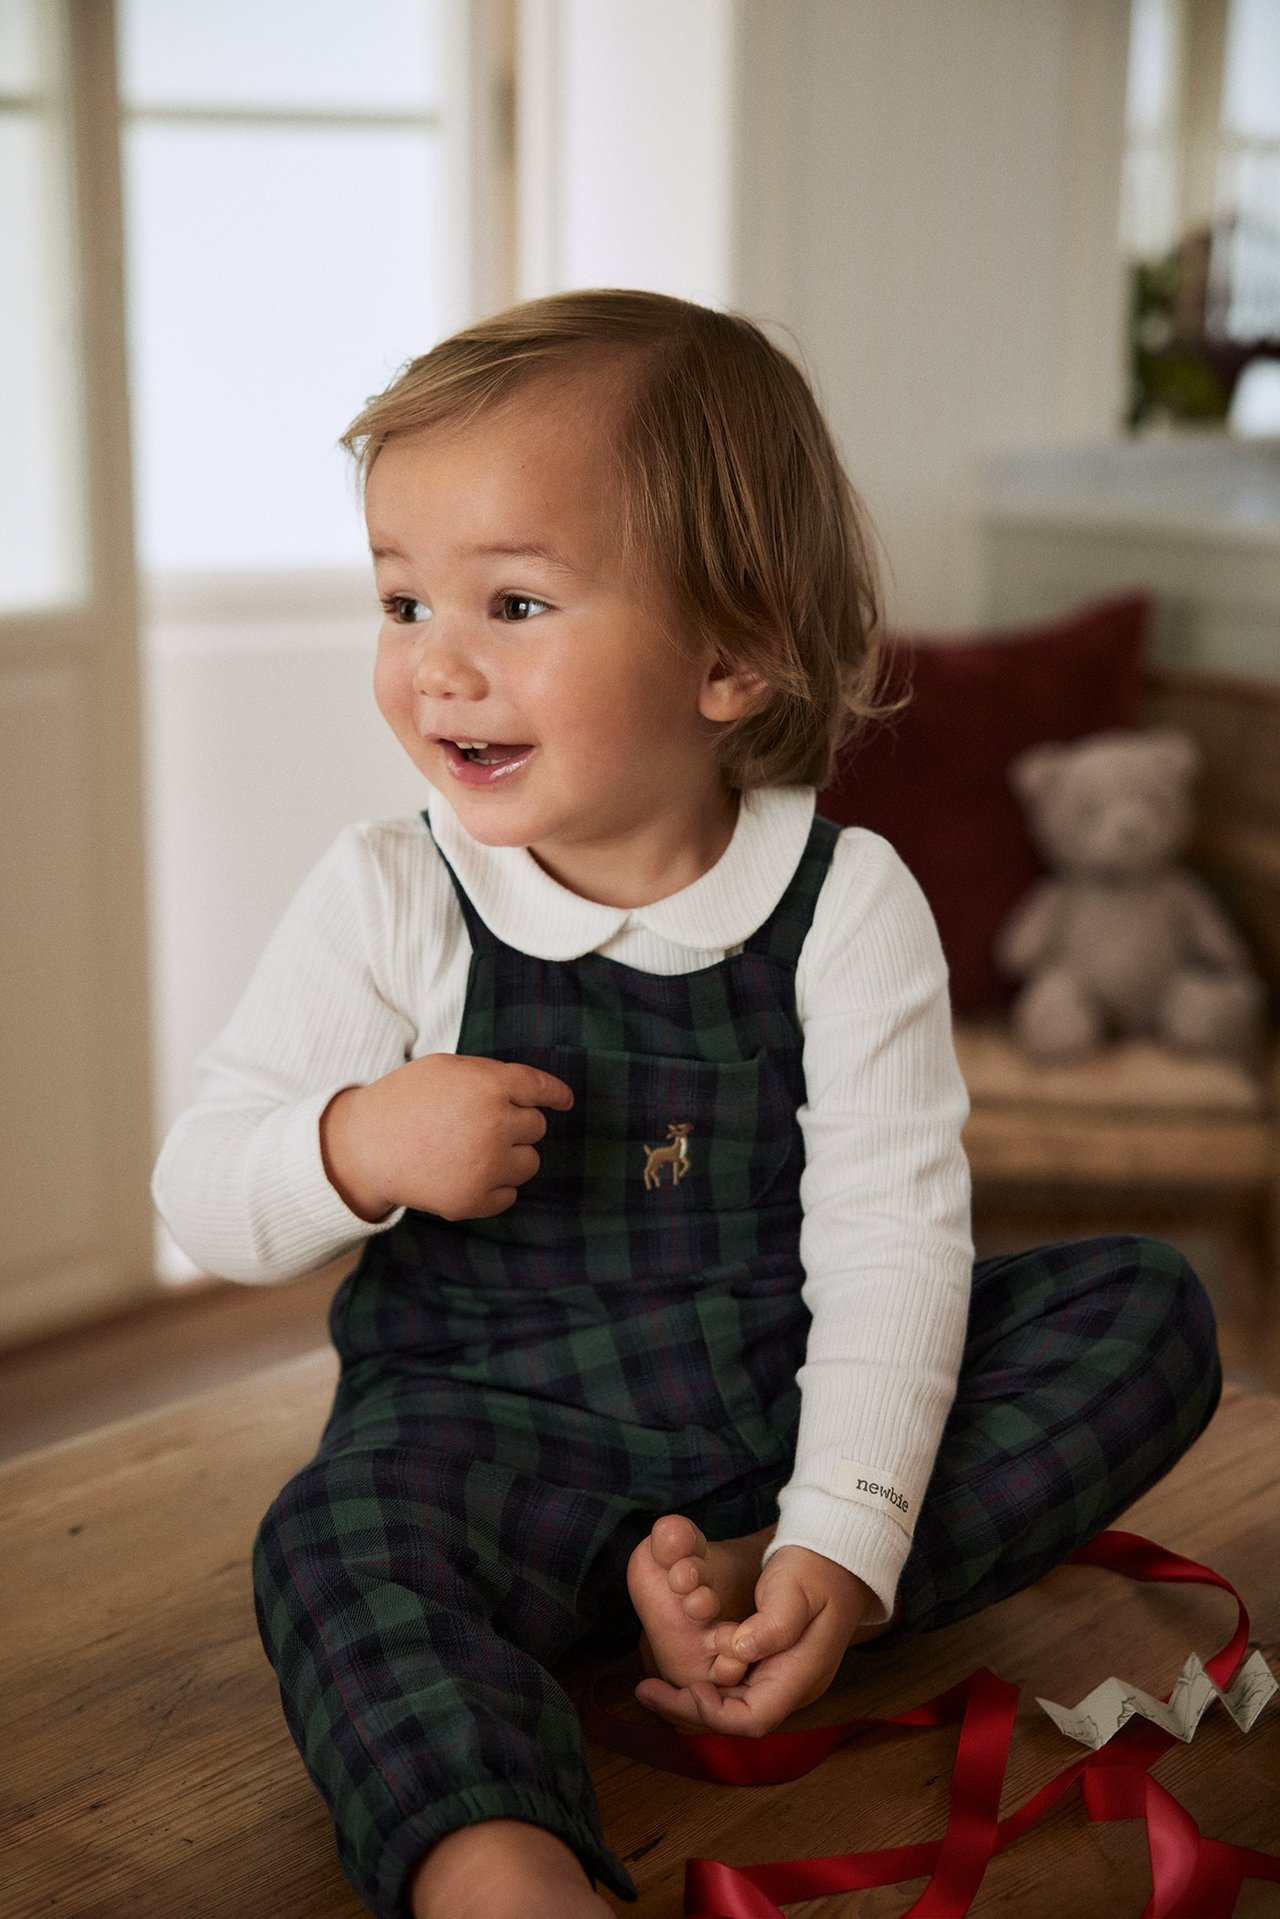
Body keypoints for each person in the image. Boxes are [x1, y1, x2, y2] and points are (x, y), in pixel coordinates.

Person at [151, 289, 1221, 1919]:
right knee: (329, 1548)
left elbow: (893, 1244)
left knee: (1148, 1309)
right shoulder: (394, 896)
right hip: (484, 1446)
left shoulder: (846, 899)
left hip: (785, 1407)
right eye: (399, 598)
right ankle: (491, 1859)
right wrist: (353, 1146)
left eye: (511, 601)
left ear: (734, 655)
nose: (435, 667)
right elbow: (200, 1193)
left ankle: (777, 1596)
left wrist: (842, 1535)